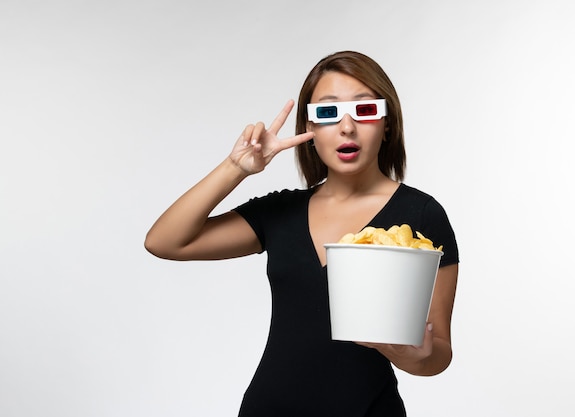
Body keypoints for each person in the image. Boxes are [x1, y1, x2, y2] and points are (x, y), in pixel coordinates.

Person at [145, 50, 459, 417]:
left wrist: (405, 352)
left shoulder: (422, 214)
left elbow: (437, 355)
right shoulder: (281, 212)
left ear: (387, 122)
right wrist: (236, 167)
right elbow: (164, 241)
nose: (347, 127)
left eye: (365, 110)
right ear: (310, 131)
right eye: (327, 113)